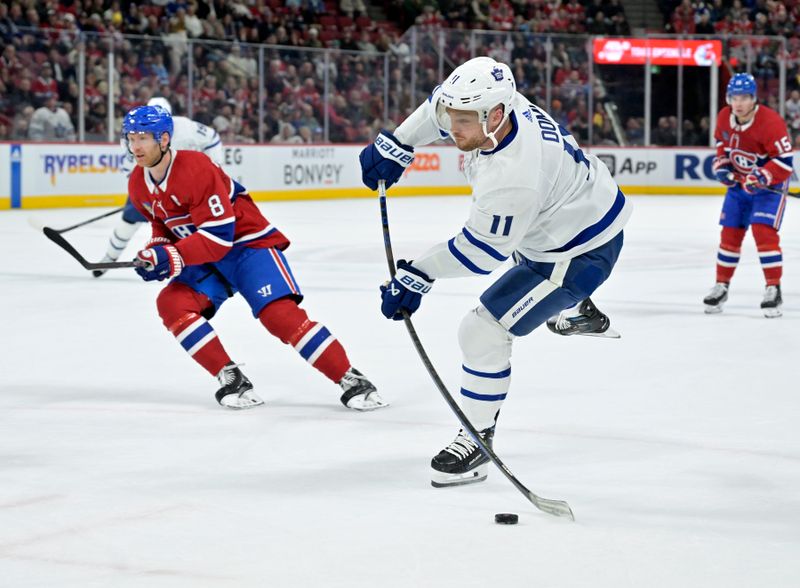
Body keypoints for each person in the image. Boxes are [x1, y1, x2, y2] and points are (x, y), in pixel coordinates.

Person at [358, 56, 631, 488]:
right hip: (569, 212)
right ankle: (580, 308)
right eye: (454, 117)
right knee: (526, 244)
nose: (451, 128)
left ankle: (477, 440)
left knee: (481, 332)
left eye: (463, 121)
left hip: (578, 251)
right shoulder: (495, 102)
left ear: (496, 115)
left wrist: (418, 275)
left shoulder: (514, 176)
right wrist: (399, 142)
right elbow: (437, 105)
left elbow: (482, 252)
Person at [124, 104, 386, 411]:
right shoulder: (138, 184)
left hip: (247, 246)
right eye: (131, 137)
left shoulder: (196, 167)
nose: (135, 145)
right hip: (206, 256)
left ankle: (351, 379)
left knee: (279, 316)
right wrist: (155, 251)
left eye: (143, 137)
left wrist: (172, 256)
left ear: (164, 139)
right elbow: (162, 223)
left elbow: (218, 237)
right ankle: (230, 377)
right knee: (171, 303)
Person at [93, 97, 224, 277]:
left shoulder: (186, 128)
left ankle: (196, 264)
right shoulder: (137, 135)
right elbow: (130, 168)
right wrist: (143, 191)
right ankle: (108, 259)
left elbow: (213, 138)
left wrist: (213, 169)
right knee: (128, 223)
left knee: (191, 225)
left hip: (185, 187)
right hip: (151, 186)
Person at [705, 73, 792, 317]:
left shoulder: (771, 122)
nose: (739, 102)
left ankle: (773, 288)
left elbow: (785, 161)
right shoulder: (724, 117)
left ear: (754, 98)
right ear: (728, 98)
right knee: (729, 234)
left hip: (768, 189)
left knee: (763, 233)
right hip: (738, 188)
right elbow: (722, 146)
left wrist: (763, 176)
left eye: (745, 97)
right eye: (735, 97)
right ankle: (721, 285)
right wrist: (722, 166)